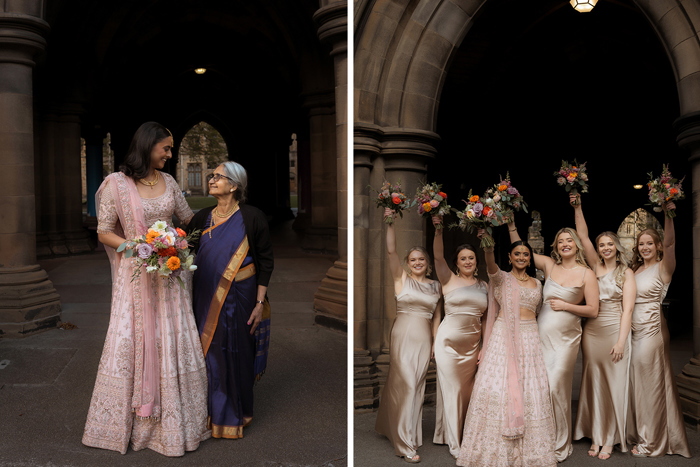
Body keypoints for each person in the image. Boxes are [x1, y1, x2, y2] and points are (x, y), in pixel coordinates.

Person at [82, 122, 210, 456]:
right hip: (136, 274)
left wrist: (213, 222)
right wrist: (139, 247)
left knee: (171, 337)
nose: (170, 154)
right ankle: (133, 422)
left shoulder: (168, 181)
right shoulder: (116, 185)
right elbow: (104, 231)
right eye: (165, 148)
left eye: (170, 149)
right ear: (148, 145)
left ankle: (174, 421)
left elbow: (186, 219)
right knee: (135, 338)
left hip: (170, 274)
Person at [189, 161, 274, 439]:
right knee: (210, 352)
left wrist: (260, 303)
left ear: (234, 185)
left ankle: (237, 413)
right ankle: (211, 414)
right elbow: (186, 255)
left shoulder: (252, 217)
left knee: (238, 352)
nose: (211, 180)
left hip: (242, 297)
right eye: (211, 176)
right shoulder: (201, 218)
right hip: (204, 297)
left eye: (218, 176)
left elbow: (265, 261)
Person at [457, 228, 555, 467]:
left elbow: (539, 312)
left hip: (530, 337)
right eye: (517, 254)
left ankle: (530, 449)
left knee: (529, 387)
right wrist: (487, 243)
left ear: (530, 259)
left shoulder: (538, 283)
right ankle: (492, 449)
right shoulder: (500, 277)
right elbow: (490, 262)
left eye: (525, 254)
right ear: (510, 257)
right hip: (504, 337)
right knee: (498, 387)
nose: (521, 257)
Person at [507, 219, 599, 462]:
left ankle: (560, 443)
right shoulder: (549, 265)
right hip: (541, 338)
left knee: (557, 387)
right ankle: (541, 437)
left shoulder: (587, 273)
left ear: (577, 245)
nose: (565, 244)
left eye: (569, 240)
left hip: (566, 340)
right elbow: (521, 249)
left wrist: (567, 305)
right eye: (561, 241)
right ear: (555, 247)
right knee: (539, 389)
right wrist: (510, 224)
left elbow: (593, 310)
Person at [570, 193, 635, 460]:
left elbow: (628, 309)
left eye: (610, 244)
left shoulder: (626, 272)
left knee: (614, 384)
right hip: (592, 332)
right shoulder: (595, 267)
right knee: (593, 383)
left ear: (617, 247)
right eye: (601, 244)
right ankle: (595, 434)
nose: (605, 247)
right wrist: (578, 207)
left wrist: (621, 341)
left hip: (614, 332)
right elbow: (582, 236)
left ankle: (610, 438)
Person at [375, 207, 442, 463]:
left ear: (426, 263)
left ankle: (409, 433)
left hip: (424, 338)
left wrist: (435, 341)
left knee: (417, 386)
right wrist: (389, 220)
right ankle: (404, 445)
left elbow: (437, 315)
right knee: (407, 384)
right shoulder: (401, 278)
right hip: (403, 334)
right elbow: (391, 251)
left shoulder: (436, 285)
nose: (417, 263)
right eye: (413, 259)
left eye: (421, 260)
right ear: (408, 263)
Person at [627, 202, 691, 458]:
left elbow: (672, 244)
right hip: (633, 330)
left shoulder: (663, 268)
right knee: (639, 384)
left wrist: (668, 213)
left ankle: (651, 441)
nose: (645, 247)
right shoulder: (634, 269)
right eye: (641, 244)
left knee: (651, 385)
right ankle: (642, 431)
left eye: (649, 243)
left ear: (657, 246)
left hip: (652, 331)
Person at [430, 216, 487, 459]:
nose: (467, 261)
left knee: (466, 392)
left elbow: (486, 320)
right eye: (463, 258)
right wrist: (439, 229)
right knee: (452, 390)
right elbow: (437, 257)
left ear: (476, 262)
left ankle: (460, 433)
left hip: (473, 346)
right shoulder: (448, 279)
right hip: (448, 343)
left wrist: (484, 347)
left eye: (471, 258)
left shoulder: (485, 286)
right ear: (456, 262)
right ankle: (456, 445)